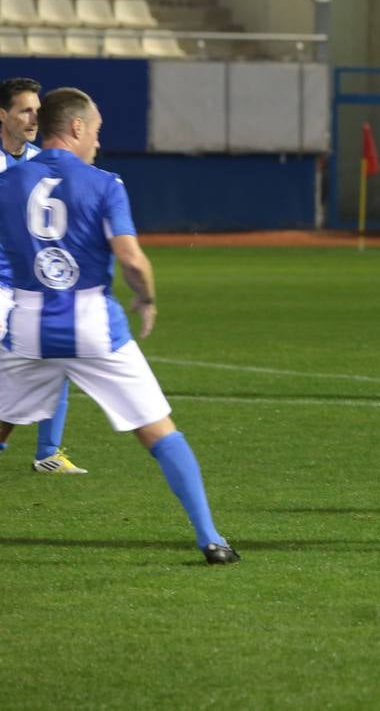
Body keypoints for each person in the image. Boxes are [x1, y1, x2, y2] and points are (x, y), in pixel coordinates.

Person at [0, 87, 237, 564]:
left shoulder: (7, 183)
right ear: (77, 128)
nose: (98, 142)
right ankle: (211, 539)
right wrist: (146, 297)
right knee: (159, 432)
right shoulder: (105, 183)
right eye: (97, 131)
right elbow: (131, 259)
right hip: (93, 327)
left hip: (26, 326)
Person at [0, 77, 85, 473]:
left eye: (38, 110)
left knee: (57, 354)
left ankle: (48, 452)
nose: (35, 117)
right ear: (3, 115)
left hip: (30, 285)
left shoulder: (41, 161)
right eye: (24, 110)